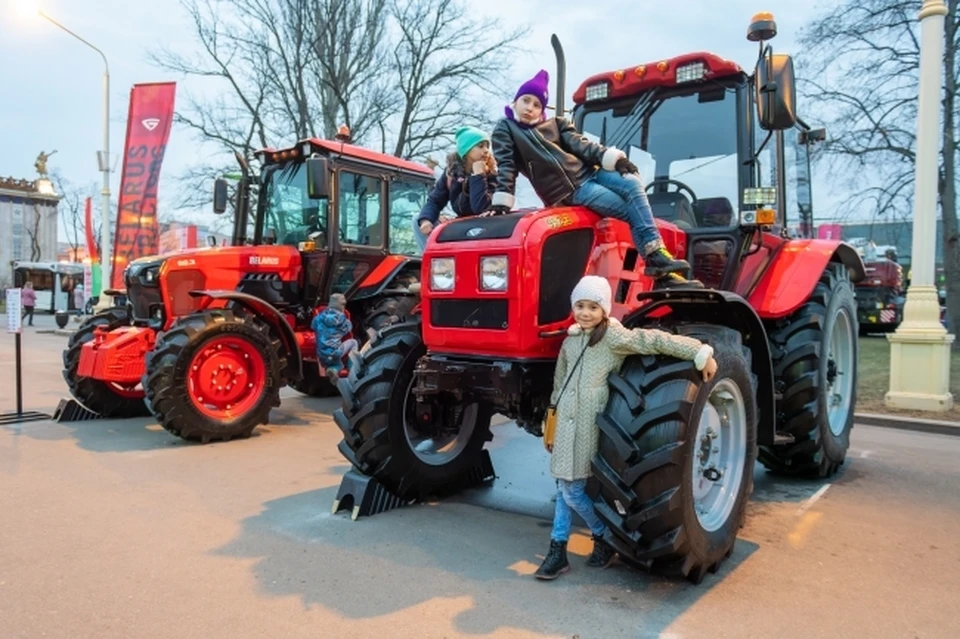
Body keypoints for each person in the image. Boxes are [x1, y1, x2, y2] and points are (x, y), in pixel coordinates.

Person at [535, 275, 718, 580]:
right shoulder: (570, 340)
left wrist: (698, 351)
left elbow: (653, 340)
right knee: (563, 487)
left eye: (593, 307)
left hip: (587, 427)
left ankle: (601, 536)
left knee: (573, 491)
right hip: (564, 427)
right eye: (580, 306)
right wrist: (548, 424)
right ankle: (558, 549)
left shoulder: (612, 338)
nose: (585, 313)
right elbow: (558, 385)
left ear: (604, 309)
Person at [488, 69, 697, 287]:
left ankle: (657, 255)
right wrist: (501, 202)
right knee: (628, 209)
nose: (530, 108)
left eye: (537, 105)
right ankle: (658, 264)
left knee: (633, 182)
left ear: (542, 110)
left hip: (593, 172)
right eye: (526, 101)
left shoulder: (556, 125)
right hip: (573, 191)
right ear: (515, 101)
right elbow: (506, 166)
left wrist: (615, 161)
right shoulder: (507, 129)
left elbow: (582, 145)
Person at [413, 126, 498, 250]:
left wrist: (478, 176)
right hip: (460, 224)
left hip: (483, 226)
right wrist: (426, 220)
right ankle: (431, 259)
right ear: (466, 149)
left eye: (487, 147)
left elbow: (481, 208)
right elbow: (435, 200)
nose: (486, 151)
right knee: (417, 218)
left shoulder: (491, 176)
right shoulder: (451, 174)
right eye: (480, 146)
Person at [311, 293, 359, 384]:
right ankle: (352, 367)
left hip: (321, 353)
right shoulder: (341, 318)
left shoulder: (319, 317)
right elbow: (348, 329)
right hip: (335, 351)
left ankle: (332, 370)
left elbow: (313, 326)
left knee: (337, 364)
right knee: (353, 342)